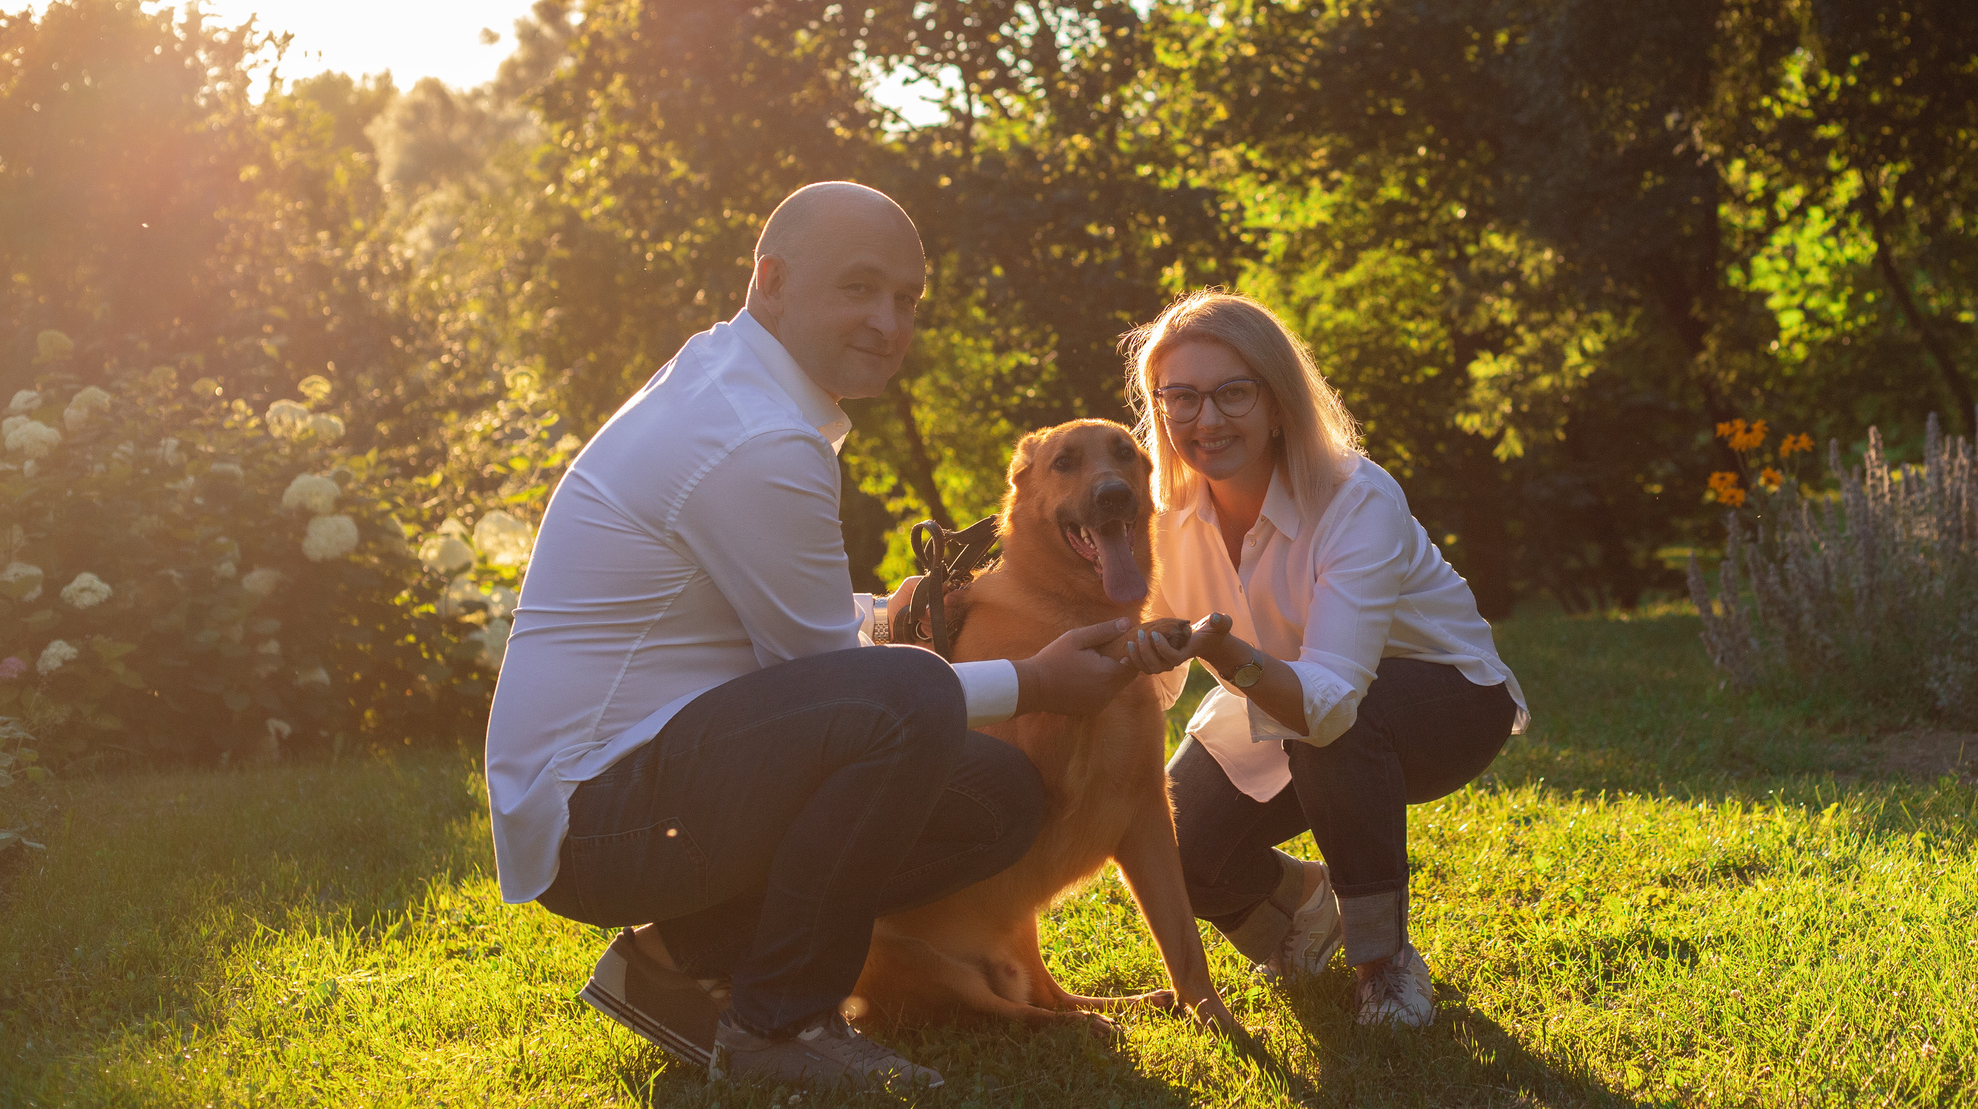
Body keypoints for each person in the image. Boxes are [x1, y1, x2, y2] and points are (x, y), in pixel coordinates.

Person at [483, 183, 1145, 1090]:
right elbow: (847, 688)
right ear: (773, 280)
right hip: (598, 816)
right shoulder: (756, 435)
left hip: (640, 779)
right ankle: (778, 1024)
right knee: (910, 699)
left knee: (992, 792)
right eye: (859, 288)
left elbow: (794, 632)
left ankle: (680, 961)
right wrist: (1032, 681)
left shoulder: (736, 384)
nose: (888, 320)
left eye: (907, 299)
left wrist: (892, 615)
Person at [1118, 290, 1528, 1029]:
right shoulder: (1165, 515)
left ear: (1278, 402)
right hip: (1279, 695)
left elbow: (1331, 698)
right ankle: (1304, 915)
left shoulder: (1354, 495)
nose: (1205, 419)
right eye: (1179, 397)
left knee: (1334, 724)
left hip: (1445, 699)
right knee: (1173, 843)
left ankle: (1384, 963)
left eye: (1232, 392)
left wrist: (1226, 650)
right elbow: (1157, 676)